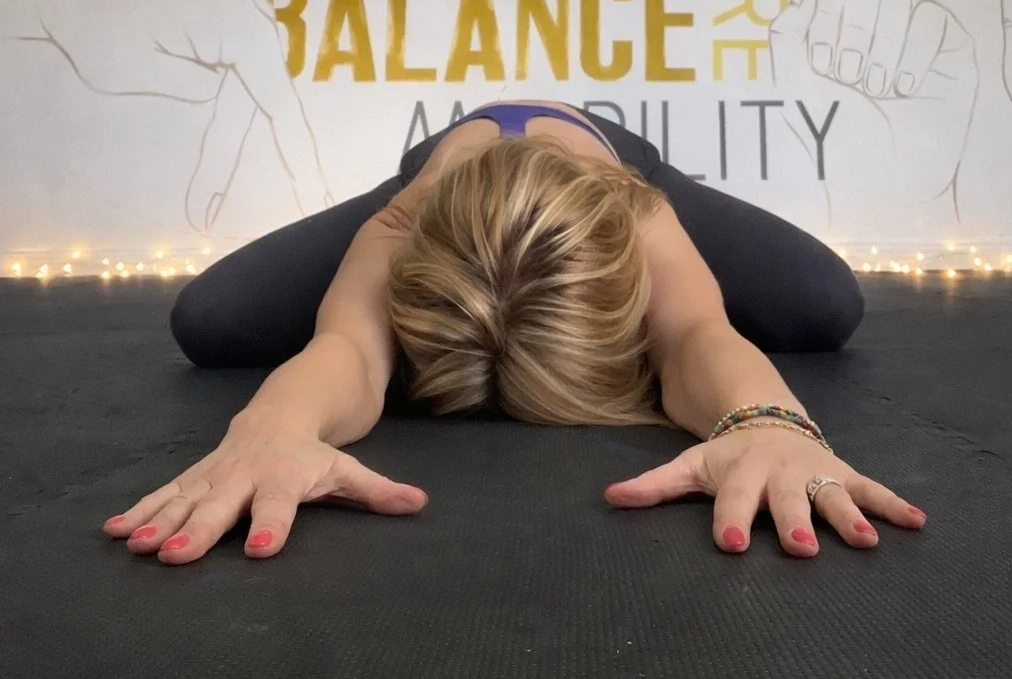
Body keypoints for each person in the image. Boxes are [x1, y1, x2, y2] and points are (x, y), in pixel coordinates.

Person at [101, 100, 928, 565]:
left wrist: (768, 423)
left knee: (825, 305)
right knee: (208, 321)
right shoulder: (405, 222)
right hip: (446, 165)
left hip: (608, 154)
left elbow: (691, 334)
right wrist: (272, 431)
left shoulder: (635, 211)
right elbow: (349, 348)